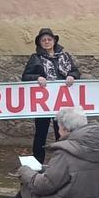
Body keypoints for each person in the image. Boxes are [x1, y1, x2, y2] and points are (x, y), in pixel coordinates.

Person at [21, 28, 80, 164]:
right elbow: (25, 76)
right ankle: (38, 161)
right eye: (43, 40)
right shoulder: (35, 58)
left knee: (62, 132)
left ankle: (62, 160)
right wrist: (37, 78)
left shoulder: (64, 56)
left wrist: (72, 75)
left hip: (61, 101)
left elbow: (75, 71)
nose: (46, 42)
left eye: (49, 39)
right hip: (43, 102)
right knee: (41, 132)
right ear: (40, 43)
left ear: (54, 41)